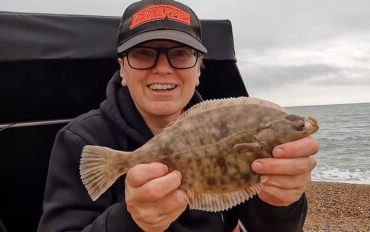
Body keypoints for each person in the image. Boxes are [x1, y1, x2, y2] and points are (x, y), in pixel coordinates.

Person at [37, 0, 319, 231]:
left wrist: (281, 202)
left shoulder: (230, 125)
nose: (163, 68)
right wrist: (131, 221)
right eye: (144, 53)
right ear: (123, 69)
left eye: (181, 54)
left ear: (198, 70)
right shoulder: (80, 140)